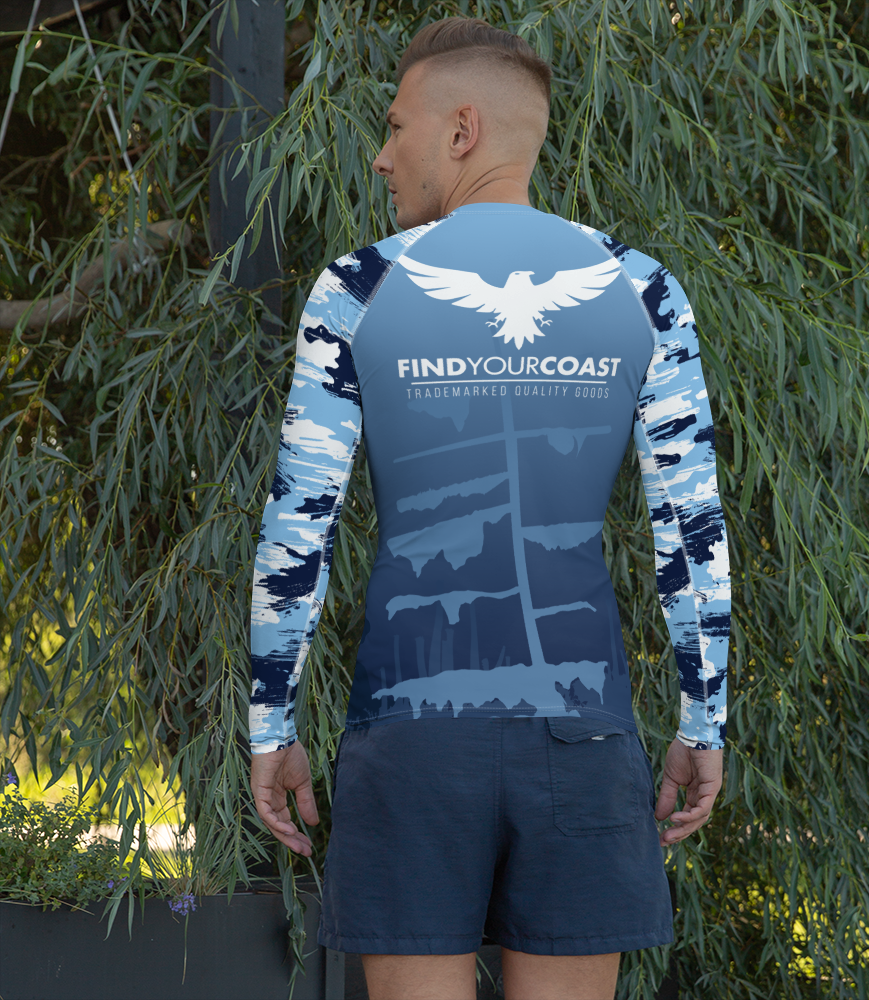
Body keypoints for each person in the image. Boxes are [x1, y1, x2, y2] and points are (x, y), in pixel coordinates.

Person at [248, 17, 730, 1000]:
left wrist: (271, 725)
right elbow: (691, 533)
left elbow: (300, 528)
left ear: (461, 129)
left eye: (397, 127)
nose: (382, 156)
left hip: (411, 734)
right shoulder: (641, 291)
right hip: (581, 732)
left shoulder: (358, 290)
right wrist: (702, 719)